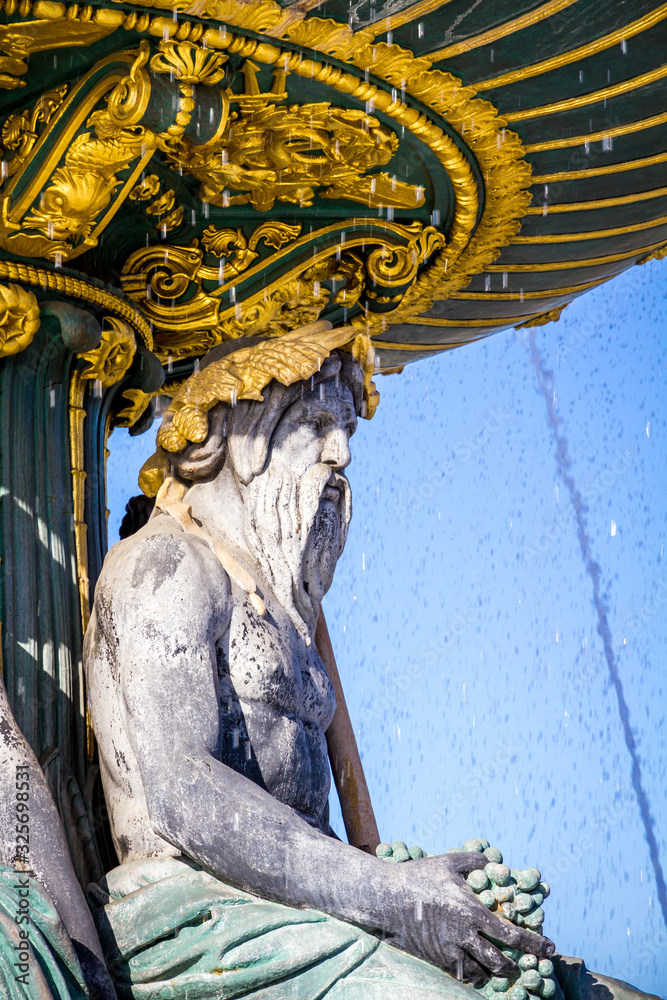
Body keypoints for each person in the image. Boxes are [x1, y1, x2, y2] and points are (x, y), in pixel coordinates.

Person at [84, 328, 659, 1000]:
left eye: (347, 428)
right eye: (317, 425)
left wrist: (402, 889)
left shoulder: (286, 601)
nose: (341, 453)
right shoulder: (167, 565)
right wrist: (389, 894)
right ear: (242, 439)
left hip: (308, 909)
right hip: (191, 916)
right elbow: (183, 796)